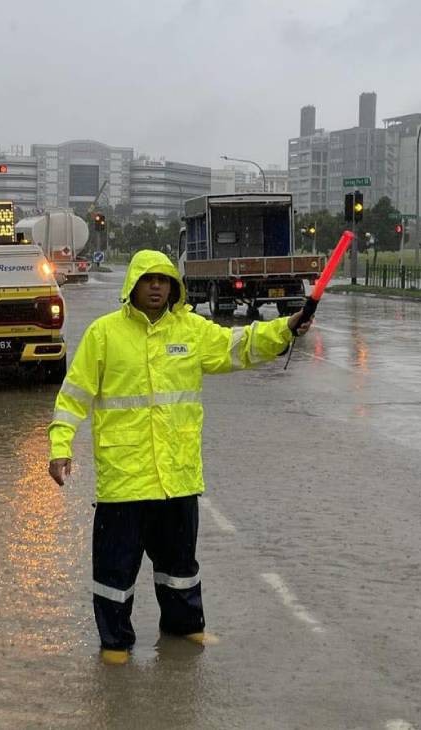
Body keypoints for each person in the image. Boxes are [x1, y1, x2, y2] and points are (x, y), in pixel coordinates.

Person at [47, 250, 312, 665]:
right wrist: (60, 446)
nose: (156, 286)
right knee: (115, 573)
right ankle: (115, 644)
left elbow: (238, 345)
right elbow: (74, 395)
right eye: (148, 279)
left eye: (164, 279)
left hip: (178, 477)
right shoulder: (104, 334)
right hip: (124, 480)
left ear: (174, 286)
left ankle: (185, 628)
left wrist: (287, 328)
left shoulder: (191, 331)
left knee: (180, 567)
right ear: (132, 285)